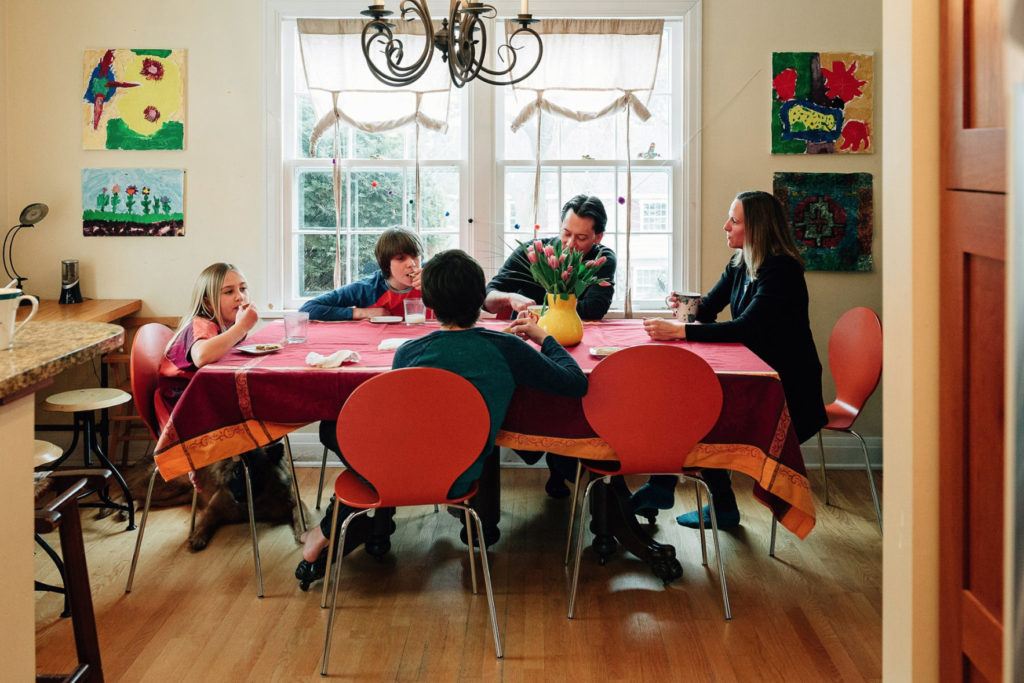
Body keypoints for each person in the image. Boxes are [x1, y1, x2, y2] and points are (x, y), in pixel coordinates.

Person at [295, 249, 587, 584]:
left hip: (404, 471)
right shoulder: (510, 349)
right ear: (481, 297)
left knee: (334, 428)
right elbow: (575, 384)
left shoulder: (410, 352)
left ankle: (341, 523)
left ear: (430, 302)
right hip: (463, 472)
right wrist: (544, 338)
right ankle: (344, 522)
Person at [636, 190, 827, 529]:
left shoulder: (781, 271)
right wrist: (684, 308)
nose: (725, 226)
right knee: (697, 402)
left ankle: (673, 490)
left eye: (734, 221)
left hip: (785, 392)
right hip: (755, 378)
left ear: (757, 228)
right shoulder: (740, 263)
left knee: (702, 408)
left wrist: (679, 332)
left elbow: (746, 329)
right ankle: (673, 490)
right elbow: (707, 309)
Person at [484, 194, 615, 495]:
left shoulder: (601, 258)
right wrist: (509, 298)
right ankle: (563, 465)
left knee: (585, 389)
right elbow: (488, 299)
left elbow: (594, 307)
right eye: (566, 233)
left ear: (598, 237)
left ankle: (566, 464)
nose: (570, 244)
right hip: (528, 347)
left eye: (581, 238)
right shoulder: (536, 252)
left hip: (572, 345)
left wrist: (546, 311)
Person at [159, 262, 259, 409]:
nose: (240, 297)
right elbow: (202, 356)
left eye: (243, 288)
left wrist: (239, 327)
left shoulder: (228, 325)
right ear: (209, 303)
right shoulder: (202, 324)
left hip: (205, 391)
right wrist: (242, 327)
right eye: (229, 292)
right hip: (183, 402)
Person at [299, 226, 423, 321]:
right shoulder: (367, 288)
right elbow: (308, 309)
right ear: (386, 264)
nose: (411, 264)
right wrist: (361, 313)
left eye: (415, 256)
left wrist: (438, 285)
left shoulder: (433, 276)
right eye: (401, 258)